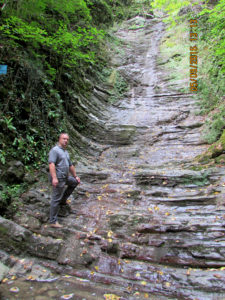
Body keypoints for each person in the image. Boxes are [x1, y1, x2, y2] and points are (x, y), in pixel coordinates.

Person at [48, 133, 80, 228]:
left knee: (74, 182)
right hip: (58, 178)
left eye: (67, 139)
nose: (65, 141)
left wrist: (75, 176)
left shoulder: (65, 152)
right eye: (64, 139)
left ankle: (63, 201)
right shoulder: (55, 150)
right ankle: (53, 221)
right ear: (59, 139)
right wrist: (54, 178)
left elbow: (70, 165)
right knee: (55, 198)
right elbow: (51, 164)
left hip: (65, 177)